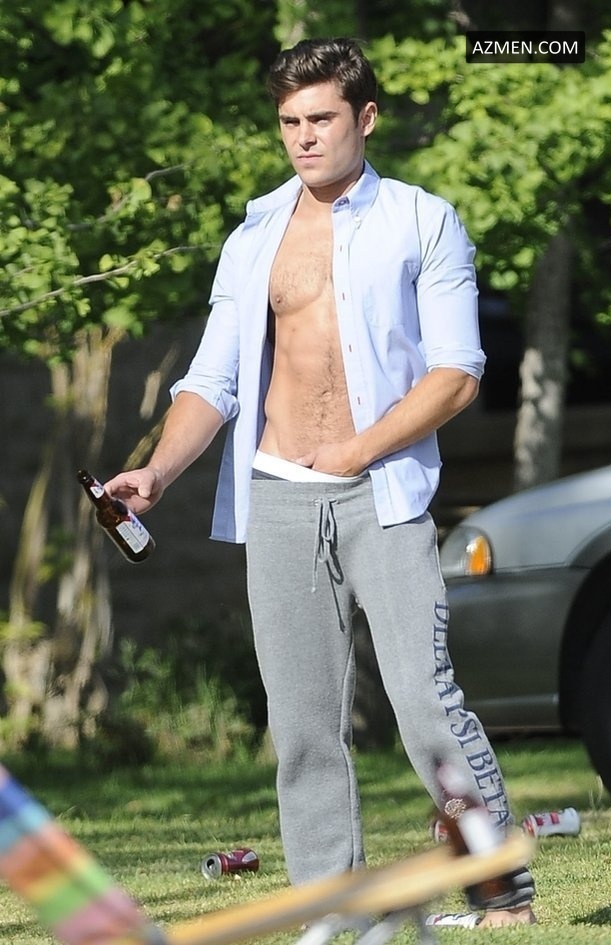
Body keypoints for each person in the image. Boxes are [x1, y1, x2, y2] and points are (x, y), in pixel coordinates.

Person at [105, 37, 536, 926]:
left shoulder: (422, 219)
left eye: (322, 118)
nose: (304, 136)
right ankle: (334, 907)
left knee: (425, 702)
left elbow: (457, 373)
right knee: (301, 724)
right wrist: (158, 470)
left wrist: (355, 450)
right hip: (277, 495)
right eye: (290, 121)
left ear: (365, 118)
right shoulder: (254, 236)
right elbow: (212, 378)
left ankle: (502, 892)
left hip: (384, 492)